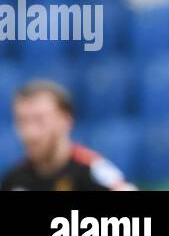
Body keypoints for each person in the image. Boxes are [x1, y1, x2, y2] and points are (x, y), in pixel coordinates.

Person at [1, 79, 135, 191]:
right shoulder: (14, 179)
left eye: (39, 120)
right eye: (22, 121)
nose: (29, 133)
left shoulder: (93, 171)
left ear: (66, 121)